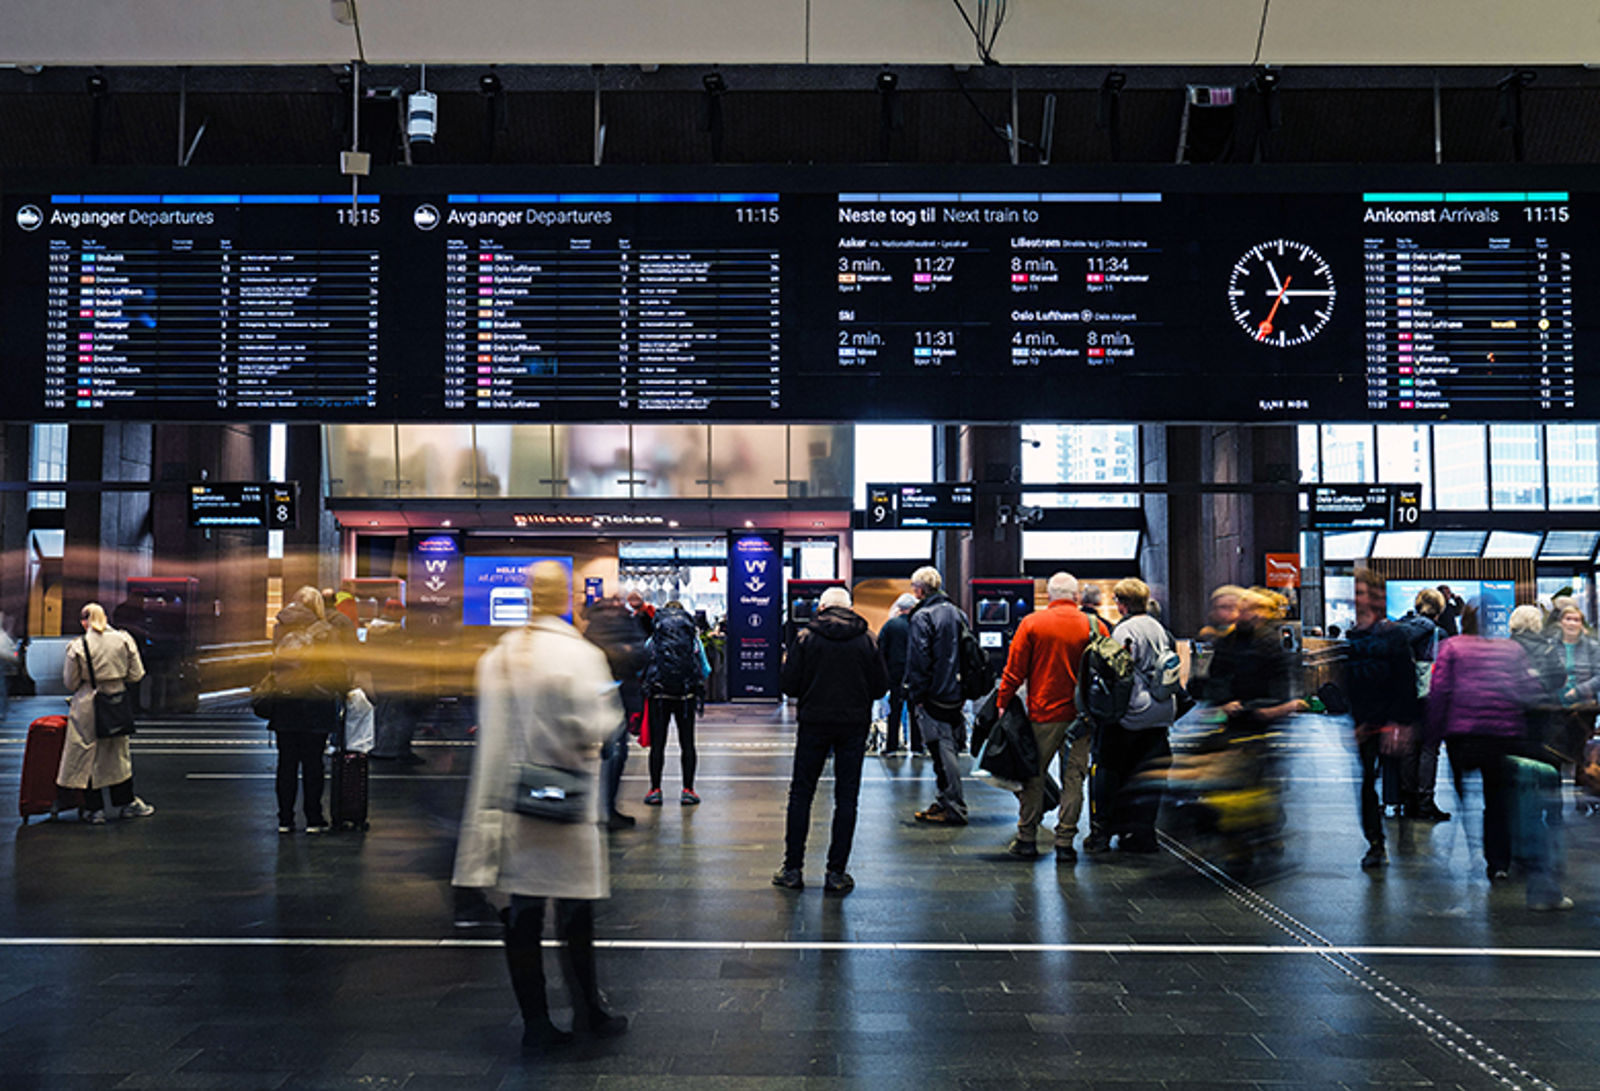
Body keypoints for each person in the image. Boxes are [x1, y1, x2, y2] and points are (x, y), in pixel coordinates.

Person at [453, 561, 628, 1052]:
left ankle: (536, 1022)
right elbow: (601, 725)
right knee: (575, 915)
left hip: (511, 806)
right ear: (566, 597)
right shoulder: (579, 656)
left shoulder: (499, 657)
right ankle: (589, 1010)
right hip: (565, 807)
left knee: (522, 917)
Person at [1426, 608, 1568, 909]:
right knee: (1497, 801)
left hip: (1461, 735)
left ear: (1465, 623)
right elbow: (1526, 688)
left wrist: (1433, 735)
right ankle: (1498, 863)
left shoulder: (1451, 647)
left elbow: (1440, 691)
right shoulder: (1510, 649)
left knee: (1465, 800)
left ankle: (1468, 847)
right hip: (1500, 735)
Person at [773, 586, 889, 894]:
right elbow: (880, 688)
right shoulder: (868, 640)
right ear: (850, 608)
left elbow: (790, 686)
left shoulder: (805, 638)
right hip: (853, 725)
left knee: (801, 794)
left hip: (813, 723)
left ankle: (793, 869)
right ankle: (836, 873)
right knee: (846, 798)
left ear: (822, 608)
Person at [994, 571, 1095, 861]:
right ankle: (1065, 843)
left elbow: (1014, 670)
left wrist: (1003, 701)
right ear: (1076, 597)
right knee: (1074, 778)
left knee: (1033, 776)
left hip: (1044, 714)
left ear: (1049, 596)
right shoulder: (1094, 626)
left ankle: (1027, 838)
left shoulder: (1032, 624)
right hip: (1083, 717)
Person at [1089, 578, 1176, 855]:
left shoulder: (1124, 631)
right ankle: (1142, 834)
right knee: (1149, 776)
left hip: (1132, 713)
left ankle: (1103, 832)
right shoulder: (1159, 628)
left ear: (1121, 602)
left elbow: (1118, 675)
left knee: (1109, 770)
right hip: (1161, 712)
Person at [1344, 569, 1421, 870]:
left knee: (1401, 781)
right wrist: (1355, 720)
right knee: (1366, 783)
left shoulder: (1393, 635)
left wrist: (1400, 722)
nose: (1358, 597)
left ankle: (1406, 832)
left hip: (1390, 720)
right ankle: (1375, 842)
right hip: (1365, 722)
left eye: (1363, 591)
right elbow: (1352, 682)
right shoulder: (1354, 635)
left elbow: (1405, 681)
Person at [57, 602, 154, 824]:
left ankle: (94, 810)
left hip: (88, 704)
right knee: (117, 755)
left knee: (87, 755)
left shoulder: (78, 645)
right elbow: (136, 674)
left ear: (84, 621)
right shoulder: (123, 639)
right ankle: (126, 803)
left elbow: (70, 682)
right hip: (116, 700)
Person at [267, 587, 348, 834]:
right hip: (316, 702)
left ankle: (285, 819)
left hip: (284, 703)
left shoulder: (280, 629)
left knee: (286, 765)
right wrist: (341, 690)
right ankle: (314, 818)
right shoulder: (326, 632)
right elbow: (338, 668)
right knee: (313, 764)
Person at [905, 566, 972, 825]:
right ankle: (946, 800)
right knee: (949, 747)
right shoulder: (958, 613)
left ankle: (953, 805)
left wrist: (917, 694)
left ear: (920, 589)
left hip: (934, 694)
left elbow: (919, 658)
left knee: (941, 750)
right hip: (956, 692)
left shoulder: (922, 616)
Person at [583, 596, 648, 829]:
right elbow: (642, 656)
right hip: (618, 696)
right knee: (616, 753)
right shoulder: (626, 623)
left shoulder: (592, 626)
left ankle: (598, 807)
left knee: (600, 755)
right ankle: (607, 808)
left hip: (595, 695)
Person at [642, 599, 709, 805]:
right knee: (687, 744)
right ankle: (688, 790)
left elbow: (642, 667)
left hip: (659, 697)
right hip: (685, 697)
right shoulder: (693, 641)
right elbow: (705, 670)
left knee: (658, 745)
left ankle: (655, 790)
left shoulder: (653, 640)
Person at [1395, 588, 1451, 821]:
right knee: (1429, 748)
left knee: (1409, 747)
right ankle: (1425, 802)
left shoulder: (1399, 628)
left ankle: (1408, 800)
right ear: (1439, 608)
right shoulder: (1439, 633)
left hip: (1404, 696)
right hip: (1431, 695)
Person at [366, 599, 423, 765]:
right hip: (396, 678)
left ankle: (381, 746)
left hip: (378, 677)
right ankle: (389, 750)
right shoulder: (396, 631)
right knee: (396, 714)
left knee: (383, 712)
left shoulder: (373, 630)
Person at [1548, 603, 1600, 782]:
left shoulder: (1592, 647)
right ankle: (1557, 802)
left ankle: (1582, 799)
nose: (1572, 623)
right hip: (1556, 707)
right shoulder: (1551, 646)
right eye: (1568, 619)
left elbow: (1599, 676)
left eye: (1576, 620)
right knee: (1555, 753)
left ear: (1581, 624)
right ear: (1561, 622)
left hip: (1584, 707)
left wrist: (1579, 691)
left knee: (1580, 755)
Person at [876, 593, 917, 755]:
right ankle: (917, 746)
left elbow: (880, 650)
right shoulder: (918, 624)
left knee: (894, 711)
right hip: (915, 674)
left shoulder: (890, 625)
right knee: (915, 712)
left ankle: (892, 746)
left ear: (899, 607)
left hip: (894, 674)